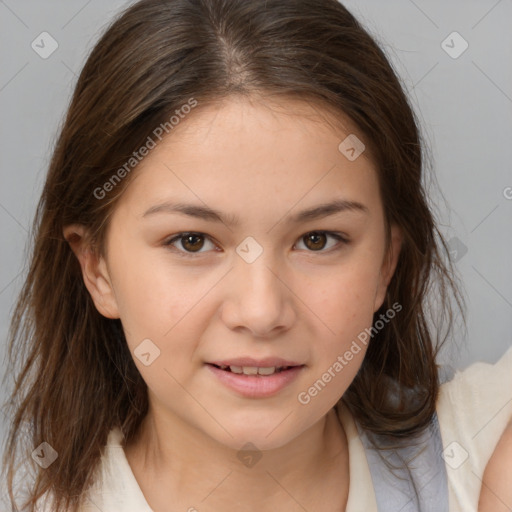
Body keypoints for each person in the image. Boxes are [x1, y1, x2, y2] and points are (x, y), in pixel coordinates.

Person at [1, 0, 510, 511]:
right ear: (97, 268)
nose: (261, 312)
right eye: (192, 241)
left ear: (386, 263)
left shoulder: (482, 450)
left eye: (318, 240)